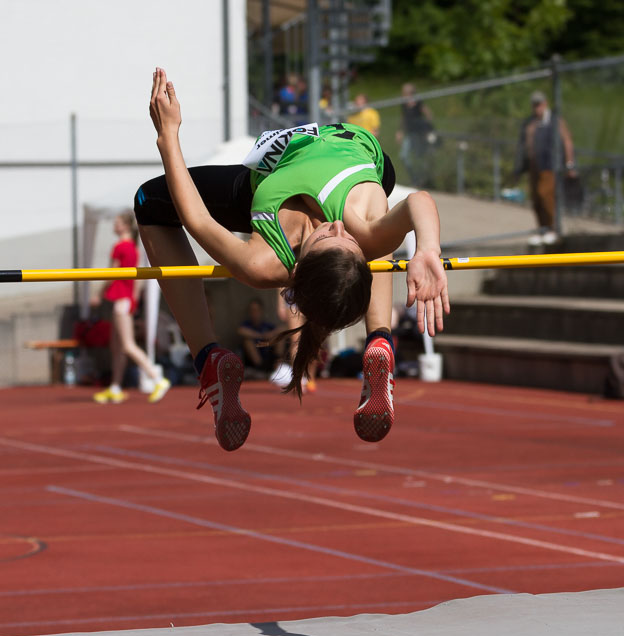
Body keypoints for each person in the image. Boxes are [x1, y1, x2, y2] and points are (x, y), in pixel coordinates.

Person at [137, 68, 449, 452]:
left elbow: (197, 219)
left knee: (148, 201)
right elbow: (419, 201)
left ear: (298, 268)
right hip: (352, 164)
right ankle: (379, 340)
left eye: (329, 240)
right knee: (375, 227)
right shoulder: (355, 221)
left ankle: (209, 361)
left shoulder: (264, 262)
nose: (336, 227)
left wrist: (168, 134)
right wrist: (427, 249)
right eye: (345, 239)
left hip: (266, 181)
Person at [91, 212, 171, 404]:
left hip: (121, 299)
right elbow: (137, 281)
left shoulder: (120, 247)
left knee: (127, 345)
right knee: (116, 346)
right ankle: (116, 386)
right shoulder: (134, 248)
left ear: (126, 226)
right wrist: (133, 299)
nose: (114, 224)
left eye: (117, 222)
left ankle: (157, 378)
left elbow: (112, 273)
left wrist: (99, 293)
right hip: (125, 299)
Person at [513, 90, 576, 246]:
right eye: (534, 104)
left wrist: (569, 164)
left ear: (545, 103)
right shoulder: (530, 123)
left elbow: (567, 141)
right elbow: (524, 144)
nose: (537, 108)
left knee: (545, 195)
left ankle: (552, 229)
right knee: (536, 199)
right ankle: (542, 228)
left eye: (539, 104)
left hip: (550, 165)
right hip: (534, 166)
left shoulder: (555, 121)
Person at [396, 83, 435, 189]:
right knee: (404, 156)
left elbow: (428, 114)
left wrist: (427, 129)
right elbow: (403, 118)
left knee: (419, 156)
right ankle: (414, 178)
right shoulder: (404, 104)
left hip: (419, 134)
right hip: (409, 134)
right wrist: (400, 131)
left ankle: (422, 179)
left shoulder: (418, 102)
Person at [237, 297, 282, 378]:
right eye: (252, 310)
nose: (255, 313)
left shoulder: (266, 325)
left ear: (261, 311)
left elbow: (283, 328)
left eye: (257, 310)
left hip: (268, 357)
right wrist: (261, 336)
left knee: (279, 339)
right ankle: (262, 370)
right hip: (254, 363)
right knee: (247, 341)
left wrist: (271, 334)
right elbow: (240, 330)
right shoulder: (247, 324)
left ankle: (278, 368)